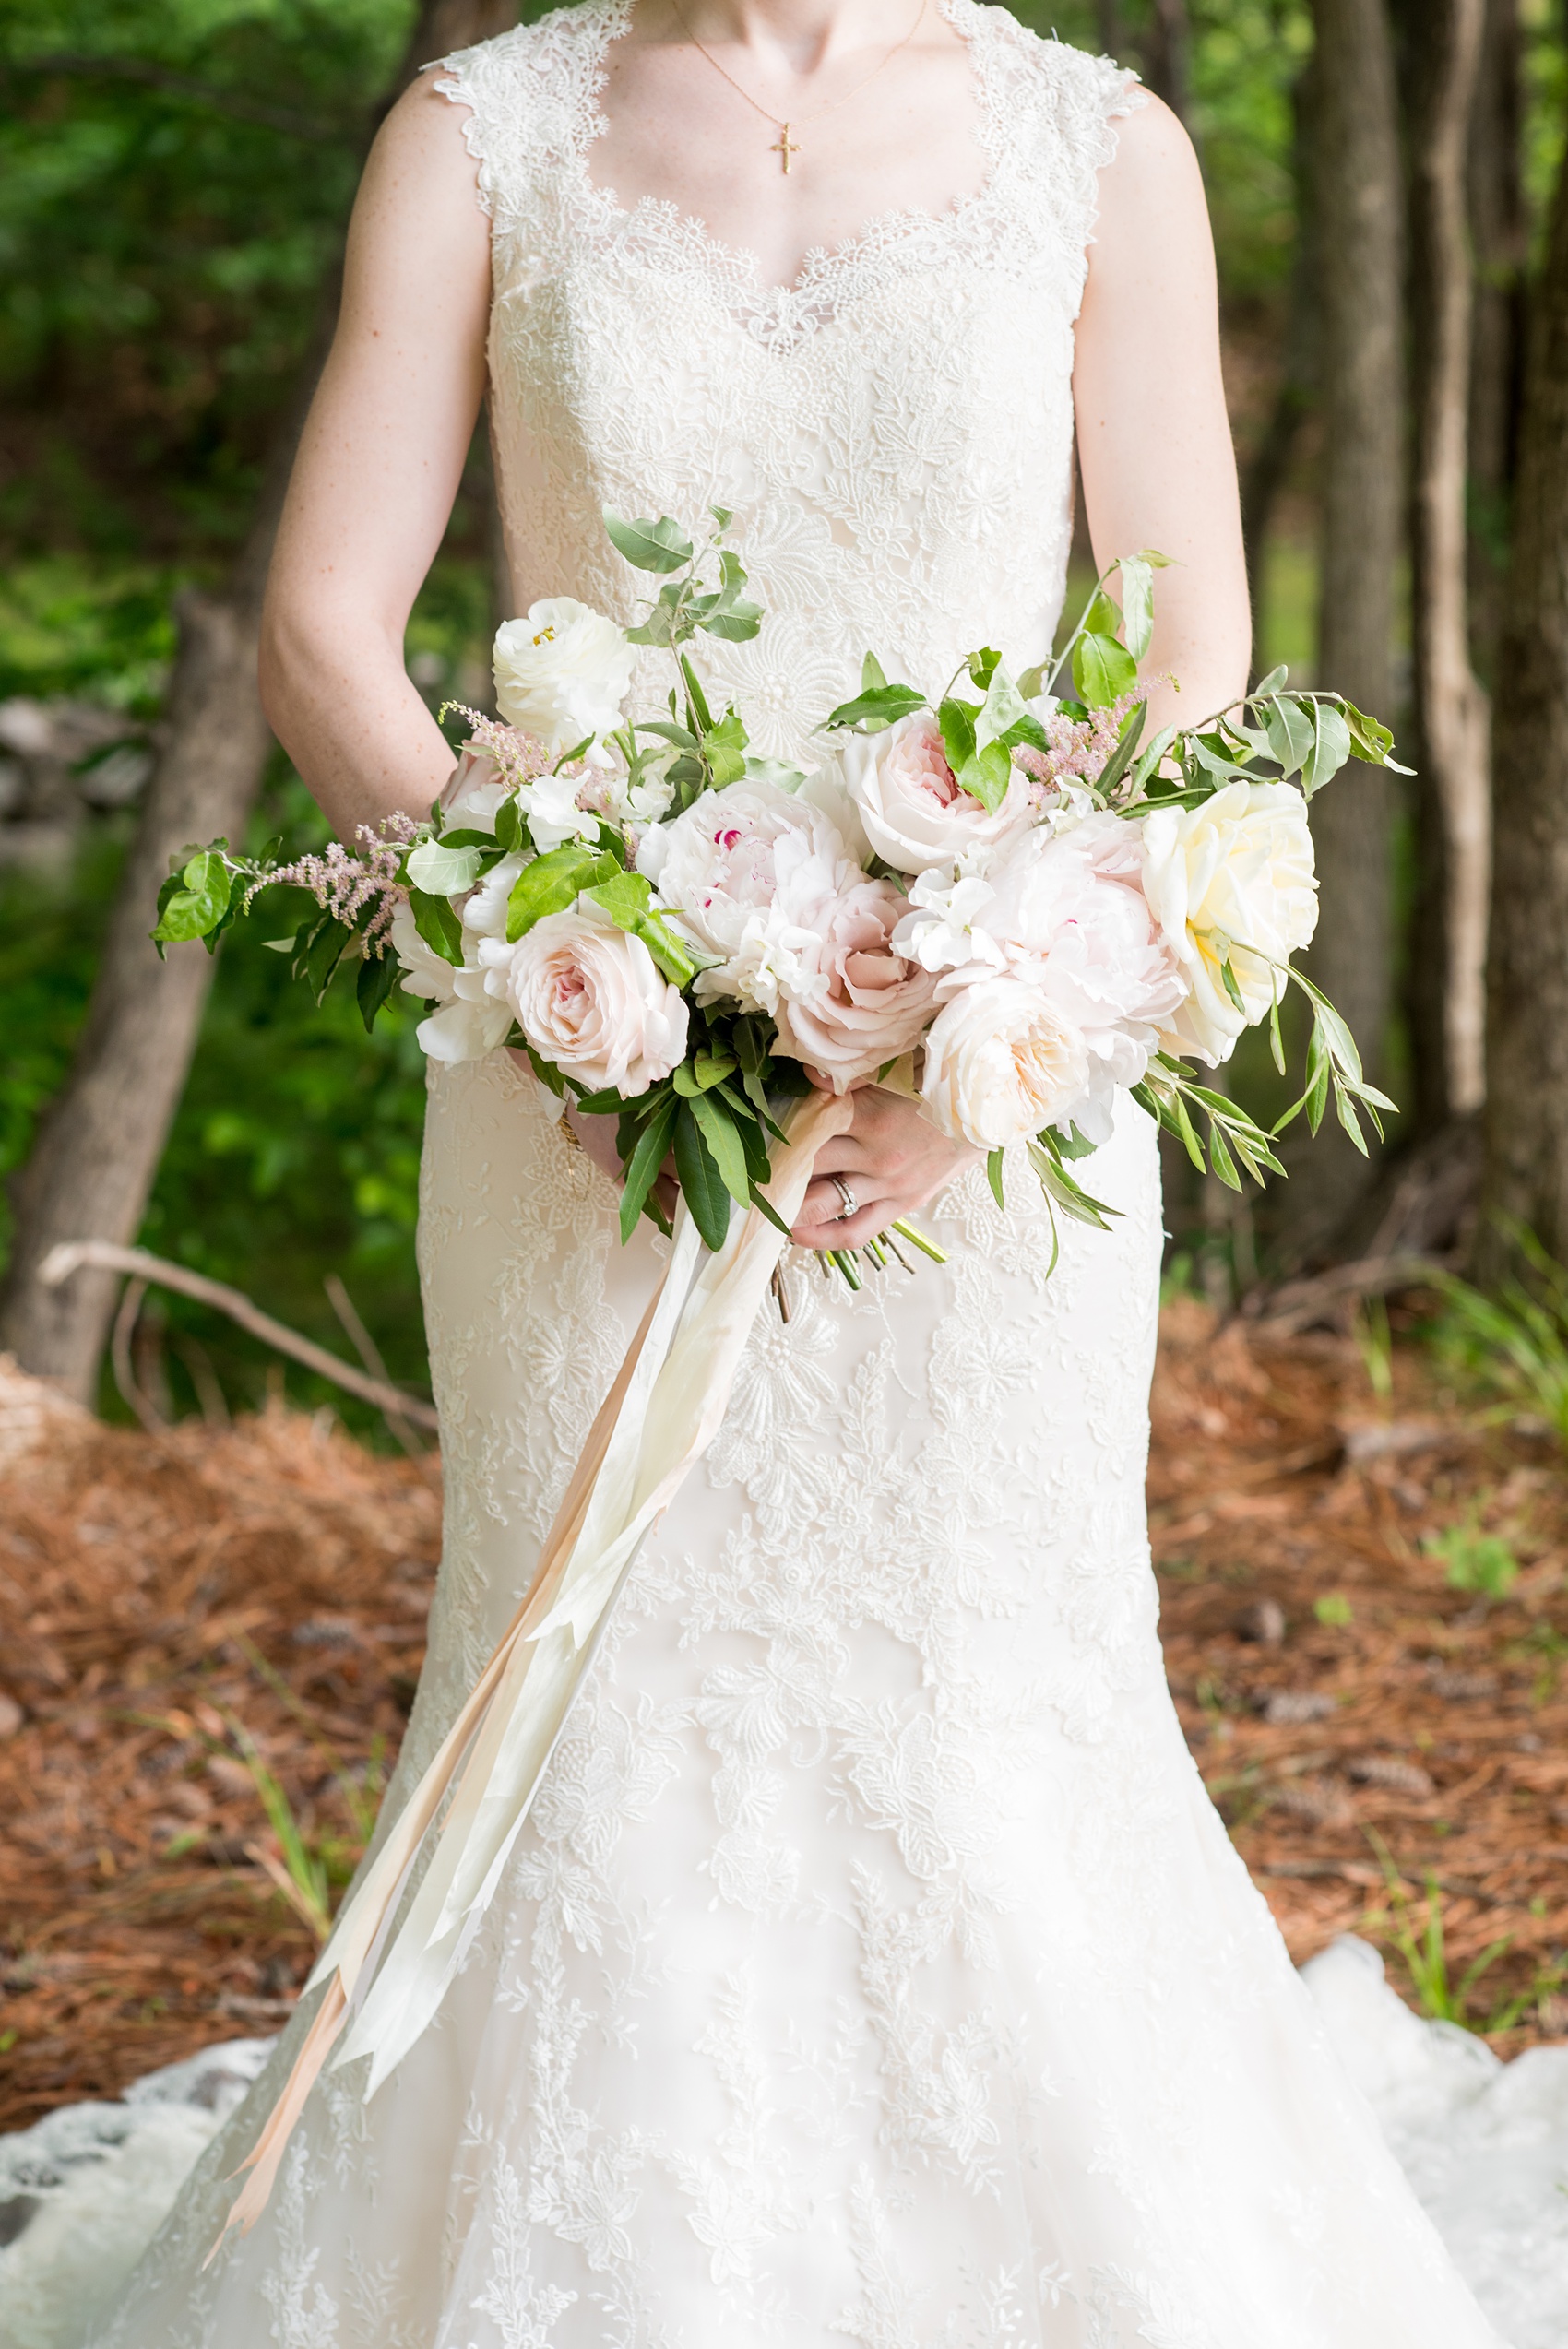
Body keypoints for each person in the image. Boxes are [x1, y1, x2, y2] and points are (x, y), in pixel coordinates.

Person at [91, 2, 1505, 2342]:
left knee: (982, 1690)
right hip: (587, 1113)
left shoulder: (1096, 149)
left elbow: (1185, 648)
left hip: (993, 1094)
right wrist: (574, 965)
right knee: (598, 1683)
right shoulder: (480, 137)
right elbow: (324, 633)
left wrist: (982, 1035)